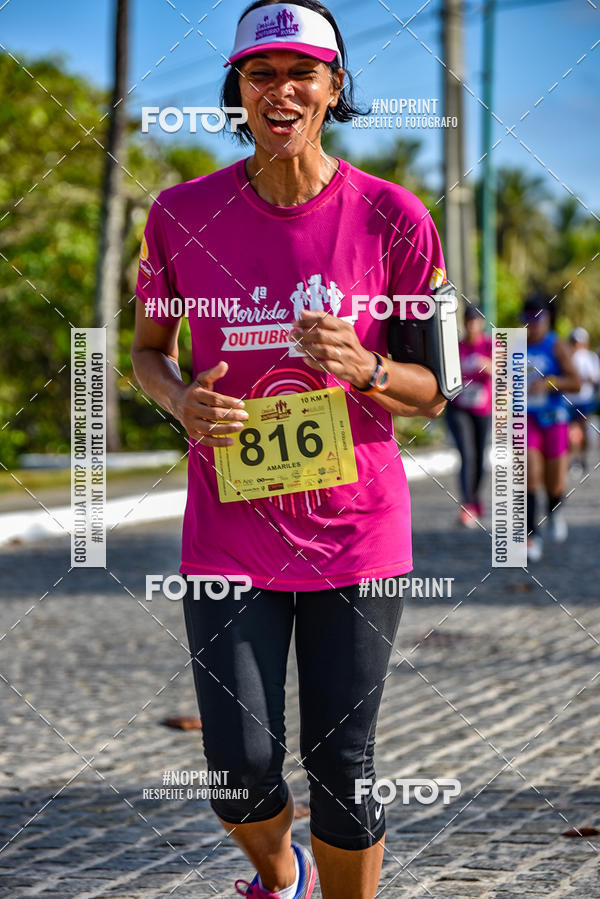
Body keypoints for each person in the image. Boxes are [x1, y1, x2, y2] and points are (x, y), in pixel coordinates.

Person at [131, 2, 450, 896]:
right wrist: (180, 401)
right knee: (238, 768)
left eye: (302, 72)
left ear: (334, 86)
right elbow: (149, 351)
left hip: (356, 530)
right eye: (260, 73)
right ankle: (286, 878)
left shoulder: (394, 216)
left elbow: (437, 388)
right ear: (236, 89)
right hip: (229, 531)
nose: (282, 90)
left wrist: (367, 366)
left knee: (342, 765)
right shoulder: (180, 213)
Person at [524, 294, 580, 562]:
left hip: (554, 418)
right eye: (528, 319)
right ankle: (531, 535)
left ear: (547, 320)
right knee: (529, 474)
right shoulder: (515, 345)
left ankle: (554, 509)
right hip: (526, 418)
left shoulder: (556, 345)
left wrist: (550, 383)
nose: (533, 325)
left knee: (555, 481)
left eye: (538, 319)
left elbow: (576, 382)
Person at [445, 304, 492, 527]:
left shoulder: (490, 345)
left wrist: (487, 365)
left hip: (483, 409)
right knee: (467, 454)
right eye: (468, 321)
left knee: (480, 457)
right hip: (459, 408)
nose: (472, 325)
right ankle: (467, 505)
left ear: (481, 323)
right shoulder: (456, 347)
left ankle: (475, 498)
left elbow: (506, 371)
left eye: (476, 321)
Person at [565, 327, 600, 473]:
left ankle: (582, 458)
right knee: (572, 431)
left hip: (585, 399)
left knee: (583, 430)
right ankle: (573, 460)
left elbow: (595, 378)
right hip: (569, 400)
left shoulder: (590, 357)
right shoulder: (566, 356)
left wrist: (580, 379)